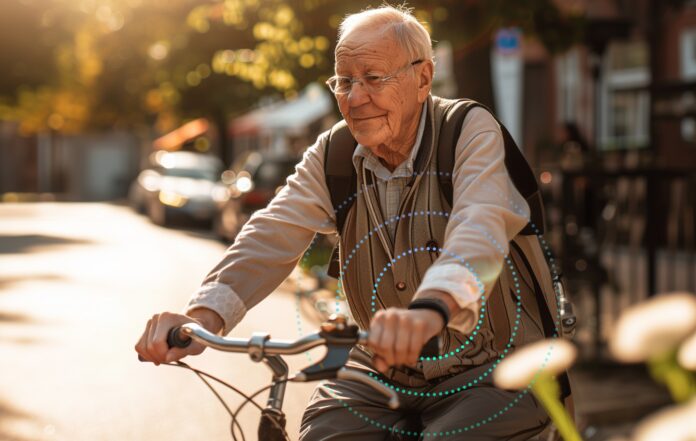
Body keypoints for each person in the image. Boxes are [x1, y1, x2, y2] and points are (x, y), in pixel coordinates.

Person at [136, 5, 551, 440]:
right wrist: (200, 320)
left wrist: (431, 310)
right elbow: (271, 232)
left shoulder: (468, 130)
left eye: (373, 78)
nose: (354, 98)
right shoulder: (334, 152)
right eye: (344, 81)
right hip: (382, 374)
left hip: (494, 371)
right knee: (323, 430)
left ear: (423, 78)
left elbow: (479, 228)